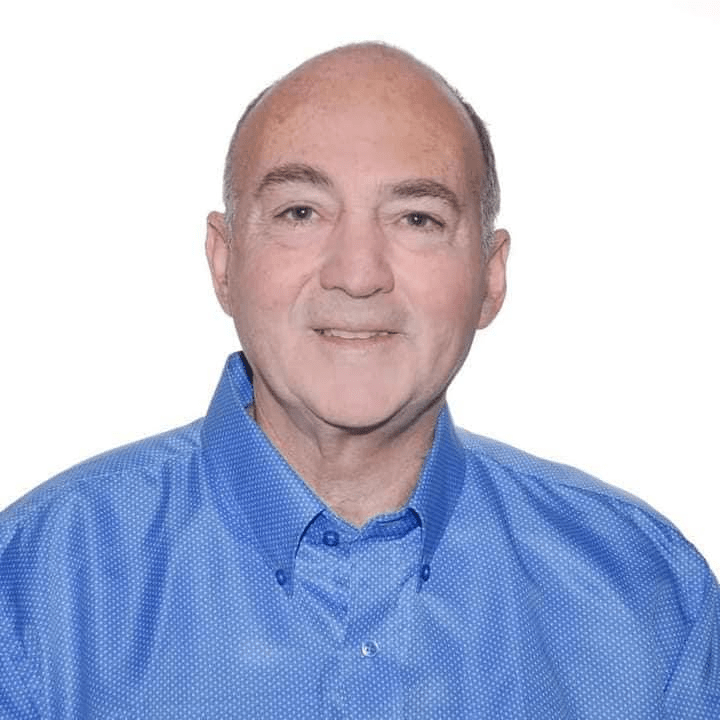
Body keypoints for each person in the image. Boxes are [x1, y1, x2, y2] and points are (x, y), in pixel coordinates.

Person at [1, 42, 717, 719]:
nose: (358, 273)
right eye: (301, 212)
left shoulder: (649, 594)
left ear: (491, 277)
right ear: (224, 262)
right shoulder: (32, 593)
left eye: (417, 218)